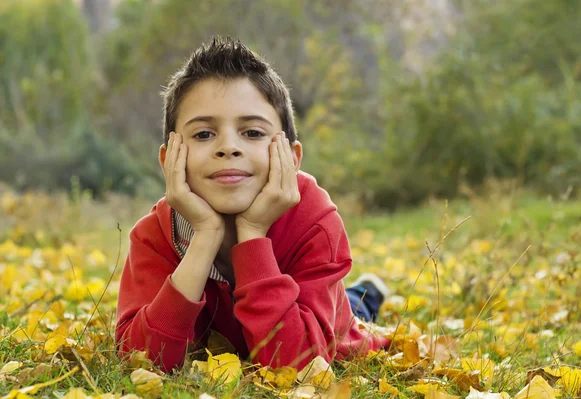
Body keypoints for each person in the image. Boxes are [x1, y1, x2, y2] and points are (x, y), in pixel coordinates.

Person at [115, 36, 390, 373]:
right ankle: (362, 292)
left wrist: (253, 234)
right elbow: (141, 360)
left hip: (326, 316)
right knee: (344, 299)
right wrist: (203, 237)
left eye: (253, 133)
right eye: (203, 134)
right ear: (169, 159)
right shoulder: (153, 236)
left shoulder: (315, 221)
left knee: (352, 311)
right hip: (276, 304)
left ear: (292, 158)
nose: (229, 147)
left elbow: (297, 364)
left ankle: (367, 295)